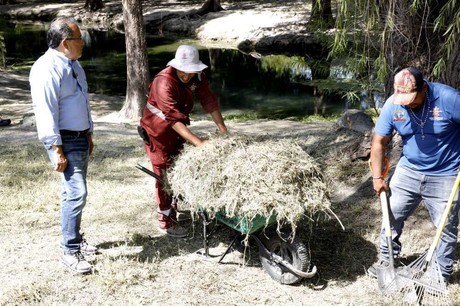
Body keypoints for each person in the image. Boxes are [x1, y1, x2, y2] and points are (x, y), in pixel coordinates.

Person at [368, 67, 460, 283]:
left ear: (424, 88)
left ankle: (440, 273)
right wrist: (377, 177)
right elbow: (379, 141)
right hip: (408, 170)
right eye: (403, 99)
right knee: (391, 214)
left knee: (445, 227)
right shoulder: (394, 104)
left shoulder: (449, 99)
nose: (407, 104)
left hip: (445, 173)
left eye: (411, 98)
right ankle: (386, 258)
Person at [29, 17, 98, 274]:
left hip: (80, 136)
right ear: (66, 43)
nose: (83, 44)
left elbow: (82, 101)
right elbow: (45, 111)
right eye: (80, 39)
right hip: (64, 139)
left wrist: (89, 132)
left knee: (73, 193)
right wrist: (55, 148)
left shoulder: (74, 64)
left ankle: (76, 239)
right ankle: (70, 251)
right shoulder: (46, 68)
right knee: (77, 193)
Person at [139, 45, 228, 238]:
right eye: (184, 71)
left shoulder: (198, 76)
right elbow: (173, 119)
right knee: (163, 174)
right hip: (158, 134)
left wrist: (223, 130)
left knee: (177, 168)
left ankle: (174, 206)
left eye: (192, 71)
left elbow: (209, 101)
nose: (187, 75)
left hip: (178, 131)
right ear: (176, 66)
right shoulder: (163, 83)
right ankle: (166, 220)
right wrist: (199, 143)